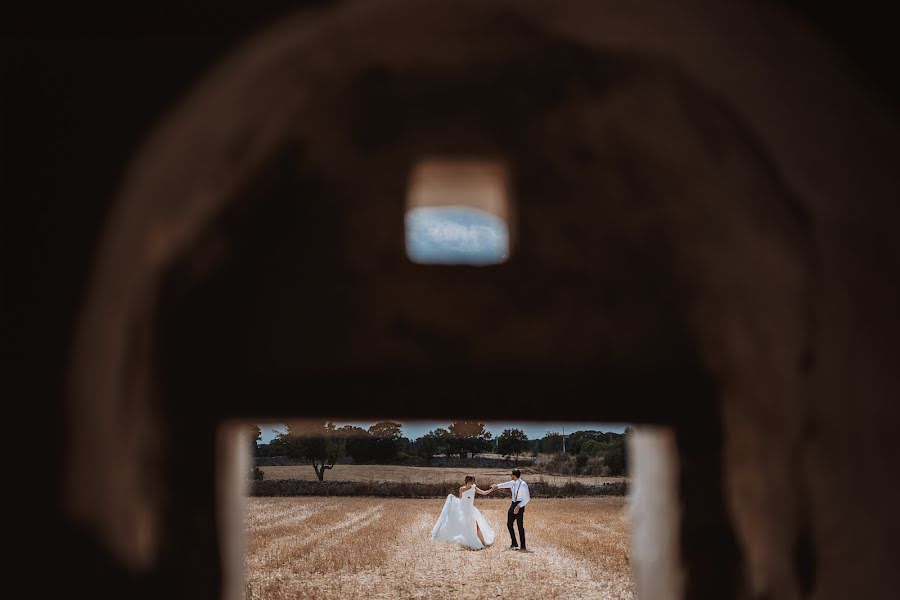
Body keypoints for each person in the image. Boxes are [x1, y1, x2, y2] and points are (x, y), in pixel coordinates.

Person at [431, 475, 496, 550]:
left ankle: (483, 543)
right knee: (466, 527)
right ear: (467, 481)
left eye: (473, 481)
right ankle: (469, 542)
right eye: (471, 481)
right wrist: (453, 501)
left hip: (471, 510)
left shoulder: (474, 488)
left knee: (476, 526)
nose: (472, 483)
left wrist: (492, 489)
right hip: (464, 510)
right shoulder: (461, 489)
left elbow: (484, 493)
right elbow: (460, 499)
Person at [491, 469, 530, 551]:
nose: (510, 476)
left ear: (514, 476)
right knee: (509, 524)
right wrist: (496, 486)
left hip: (520, 505)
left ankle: (523, 546)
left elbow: (527, 498)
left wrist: (519, 506)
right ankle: (514, 543)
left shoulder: (523, 485)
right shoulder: (512, 482)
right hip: (513, 504)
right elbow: (505, 484)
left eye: (511, 475)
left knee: (520, 526)